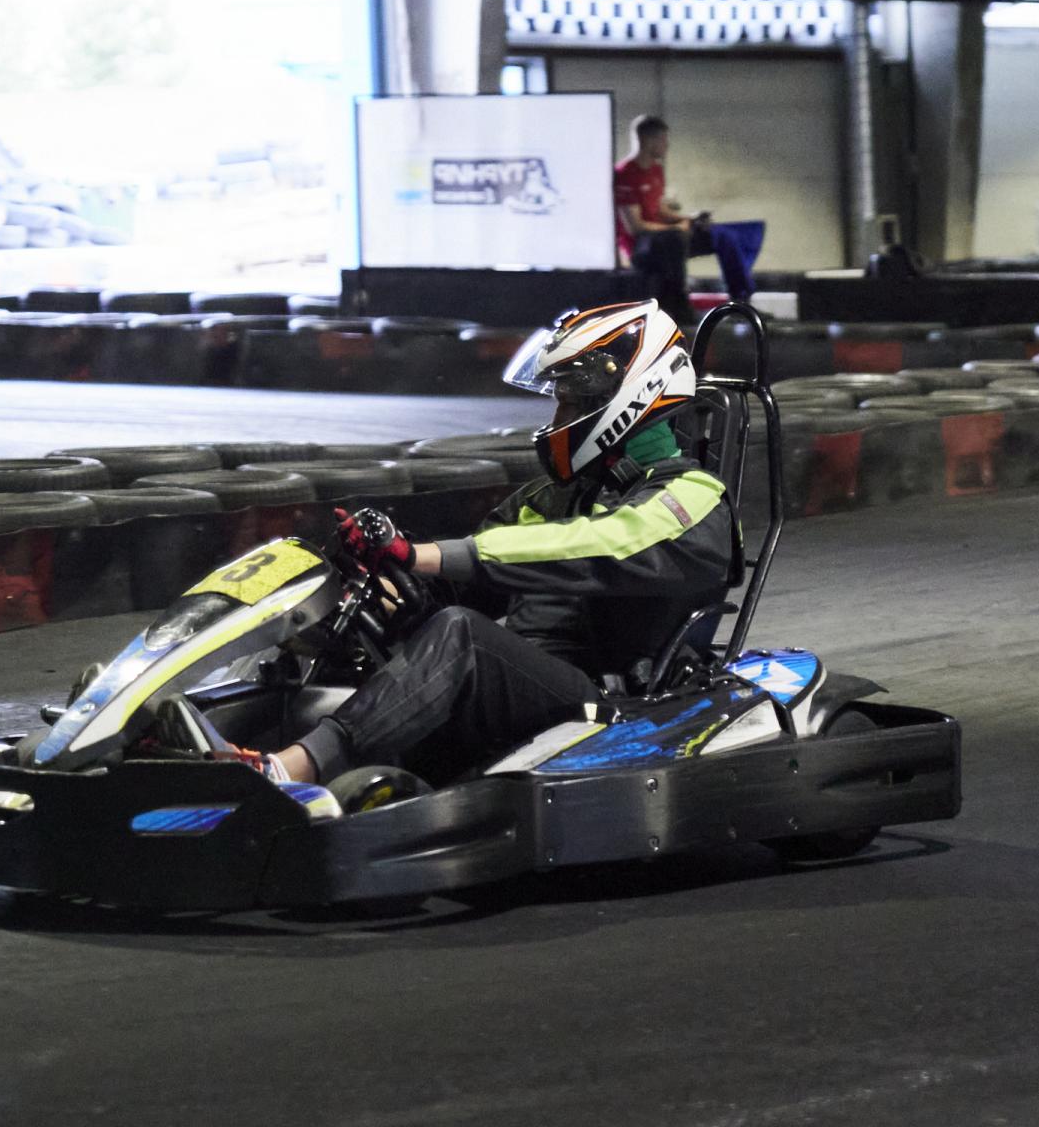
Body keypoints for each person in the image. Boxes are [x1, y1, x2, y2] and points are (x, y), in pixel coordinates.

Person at [233, 299, 735, 793]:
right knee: (353, 619)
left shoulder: (693, 496)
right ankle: (219, 731)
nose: (558, 415)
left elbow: (595, 544)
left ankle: (290, 770)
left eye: (571, 401)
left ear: (630, 398)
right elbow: (465, 586)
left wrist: (421, 554)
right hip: (522, 688)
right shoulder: (553, 496)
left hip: (608, 705)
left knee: (464, 636)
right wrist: (379, 590)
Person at [613, 116, 763, 317]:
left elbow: (660, 211)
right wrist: (676, 228)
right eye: (663, 140)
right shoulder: (624, 173)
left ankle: (741, 301)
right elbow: (636, 227)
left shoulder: (656, 170)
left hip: (666, 236)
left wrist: (689, 219)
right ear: (648, 140)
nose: (667, 145)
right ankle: (680, 306)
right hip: (642, 246)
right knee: (676, 238)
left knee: (721, 235)